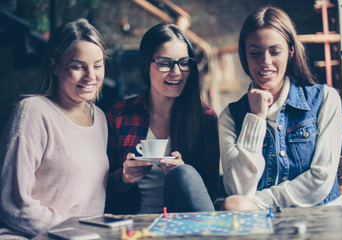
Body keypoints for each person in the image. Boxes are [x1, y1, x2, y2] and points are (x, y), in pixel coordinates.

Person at [219, 6, 342, 211]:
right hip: (263, 223)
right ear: (244, 55)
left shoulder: (325, 99)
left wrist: (257, 202)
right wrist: (256, 118)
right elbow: (238, 190)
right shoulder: (230, 116)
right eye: (255, 53)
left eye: (275, 51)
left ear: (290, 50)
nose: (266, 62)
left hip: (322, 215)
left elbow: (321, 180)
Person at [0, 19, 109, 238]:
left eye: (97, 65)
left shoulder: (100, 119)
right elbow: (11, 204)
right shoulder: (33, 111)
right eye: (78, 66)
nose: (90, 76)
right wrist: (75, 232)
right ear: (55, 66)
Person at [106, 23, 219, 214]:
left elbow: (212, 193)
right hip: (130, 226)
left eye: (184, 62)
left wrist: (185, 181)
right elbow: (98, 190)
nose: (176, 72)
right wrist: (123, 177)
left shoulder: (205, 118)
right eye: (165, 63)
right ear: (146, 64)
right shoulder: (120, 114)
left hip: (183, 227)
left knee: (184, 174)